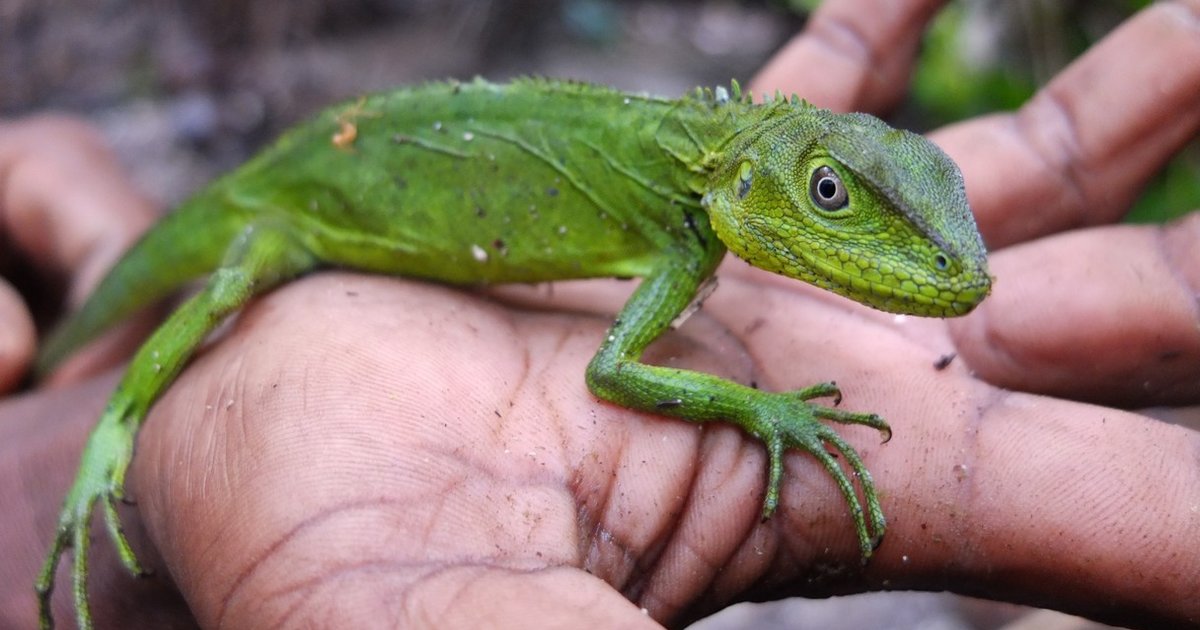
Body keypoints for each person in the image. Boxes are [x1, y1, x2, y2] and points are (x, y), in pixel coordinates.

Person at [2, 0, 1198, 626]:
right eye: (830, 199)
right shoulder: (685, 218)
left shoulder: (685, 216)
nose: (863, 236)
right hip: (294, 202)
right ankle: (109, 416)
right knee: (227, 282)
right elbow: (615, 374)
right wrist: (758, 408)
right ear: (747, 182)